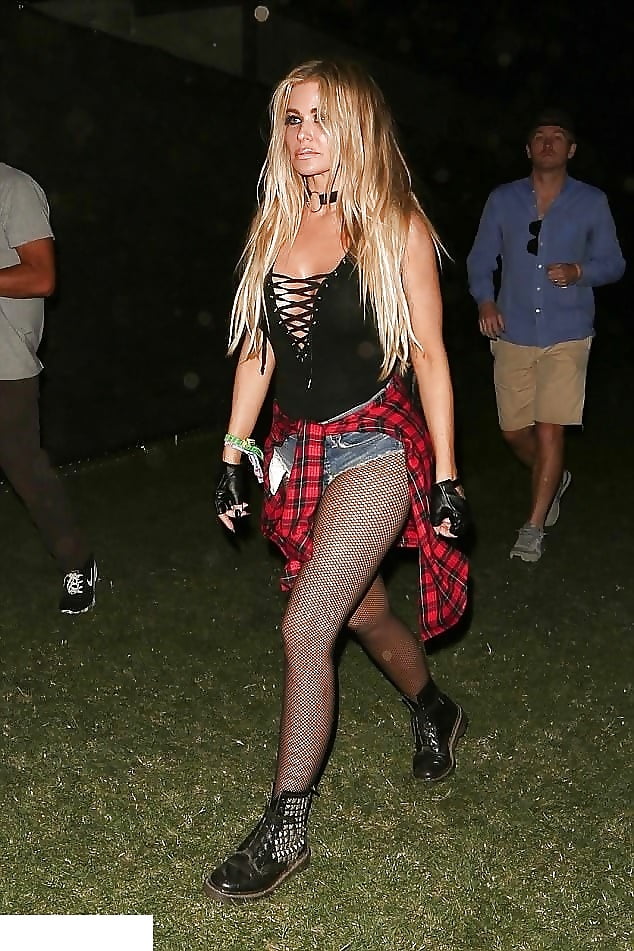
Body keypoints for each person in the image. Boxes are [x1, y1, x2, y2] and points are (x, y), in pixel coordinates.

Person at [205, 59, 470, 904]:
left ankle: (285, 826)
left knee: (307, 622)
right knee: (360, 610)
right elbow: (259, 349)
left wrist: (448, 475)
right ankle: (433, 706)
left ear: (356, 124)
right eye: (292, 118)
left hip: (378, 446)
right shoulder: (276, 223)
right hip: (300, 452)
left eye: (320, 116)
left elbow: (430, 355)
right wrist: (234, 451)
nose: (303, 133)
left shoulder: (395, 224)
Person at [467, 109, 625, 562]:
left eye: (558, 137)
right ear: (528, 148)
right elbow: (481, 259)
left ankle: (532, 528)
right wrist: (485, 301)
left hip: (568, 331)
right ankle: (554, 477)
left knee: (550, 427)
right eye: (540, 136)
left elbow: (614, 263)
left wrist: (579, 271)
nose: (549, 143)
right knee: (514, 431)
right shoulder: (503, 199)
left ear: (571, 150)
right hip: (512, 328)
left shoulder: (591, 201)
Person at [0, 160, 97, 613]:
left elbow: (42, 276)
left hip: (6, 363)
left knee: (25, 470)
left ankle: (77, 561)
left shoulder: (13, 188)